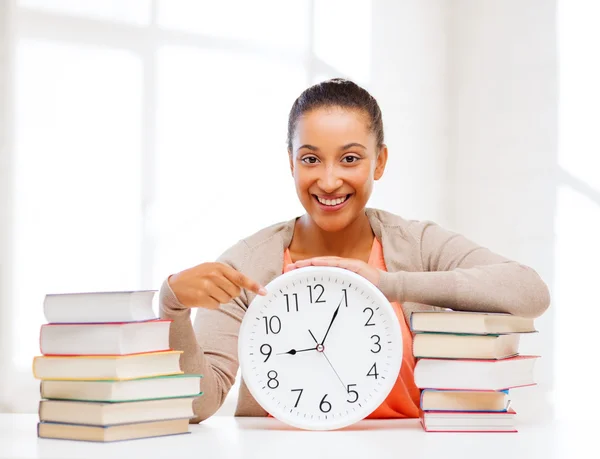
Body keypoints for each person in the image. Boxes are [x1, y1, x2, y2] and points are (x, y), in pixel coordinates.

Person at [159, 78, 550, 423]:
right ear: (291, 163)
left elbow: (529, 291)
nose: (329, 181)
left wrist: (389, 284)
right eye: (310, 159)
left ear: (379, 162)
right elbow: (198, 406)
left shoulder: (415, 244)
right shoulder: (248, 263)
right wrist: (173, 304)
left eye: (350, 159)